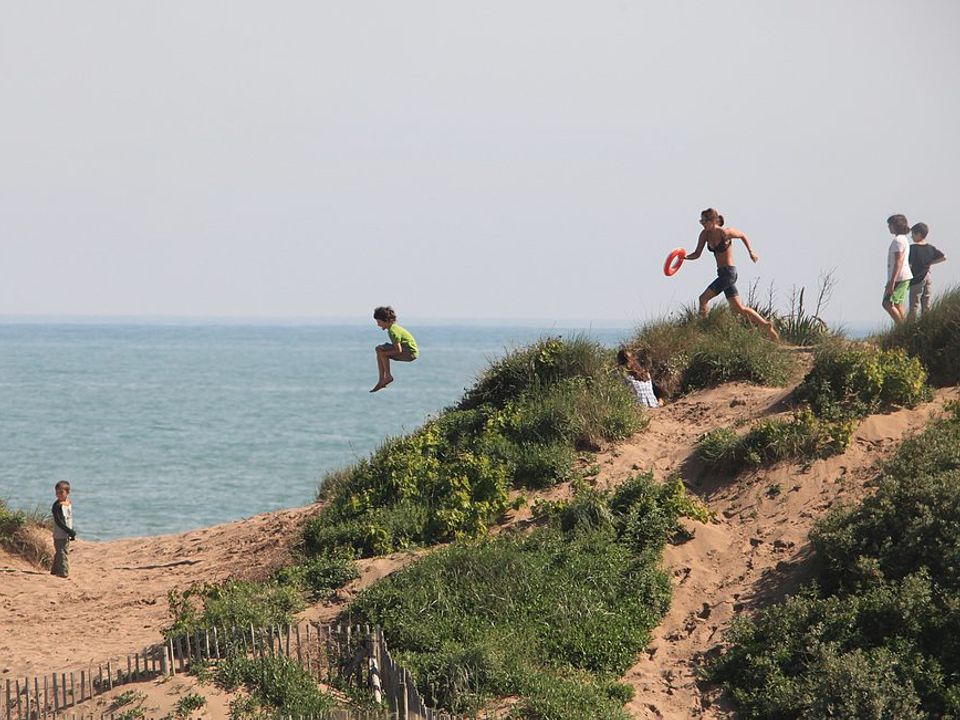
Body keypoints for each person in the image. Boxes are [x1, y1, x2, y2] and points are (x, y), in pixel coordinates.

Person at [684, 208, 780, 341]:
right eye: (701, 221)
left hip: (729, 273)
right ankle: (765, 326)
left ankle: (702, 330)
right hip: (721, 273)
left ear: (713, 221)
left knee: (703, 299)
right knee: (739, 309)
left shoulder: (725, 232)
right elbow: (696, 254)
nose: (702, 224)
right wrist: (684, 258)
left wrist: (751, 252)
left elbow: (742, 235)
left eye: (704, 221)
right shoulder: (704, 235)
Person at [371, 306, 419, 392]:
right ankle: (382, 379)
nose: (378, 324)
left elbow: (398, 350)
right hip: (408, 351)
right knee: (379, 349)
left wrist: (383, 355)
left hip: (409, 353)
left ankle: (387, 377)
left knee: (381, 351)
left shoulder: (393, 331)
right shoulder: (393, 328)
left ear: (385, 320)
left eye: (378, 321)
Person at [908, 222, 946, 317]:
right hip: (927, 276)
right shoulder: (930, 248)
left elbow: (909, 264)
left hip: (917, 278)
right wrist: (929, 263)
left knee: (914, 304)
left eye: (913, 234)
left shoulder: (913, 248)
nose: (911, 236)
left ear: (919, 234)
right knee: (926, 302)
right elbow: (943, 257)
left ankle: (912, 326)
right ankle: (926, 322)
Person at [883, 214, 914, 324]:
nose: (889, 227)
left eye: (890, 225)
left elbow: (898, 261)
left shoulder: (898, 241)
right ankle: (905, 326)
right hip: (902, 276)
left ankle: (901, 326)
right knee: (897, 303)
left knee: (887, 303)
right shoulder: (903, 239)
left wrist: (892, 282)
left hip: (899, 277)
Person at [51, 480, 76, 578]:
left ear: (68, 492)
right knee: (62, 553)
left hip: (66, 533)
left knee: (61, 551)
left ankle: (55, 570)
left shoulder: (68, 503)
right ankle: (63, 572)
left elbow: (68, 519)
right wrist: (69, 531)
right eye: (57, 492)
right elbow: (59, 521)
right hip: (59, 534)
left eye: (61, 492)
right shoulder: (57, 506)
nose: (59, 495)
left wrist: (70, 532)